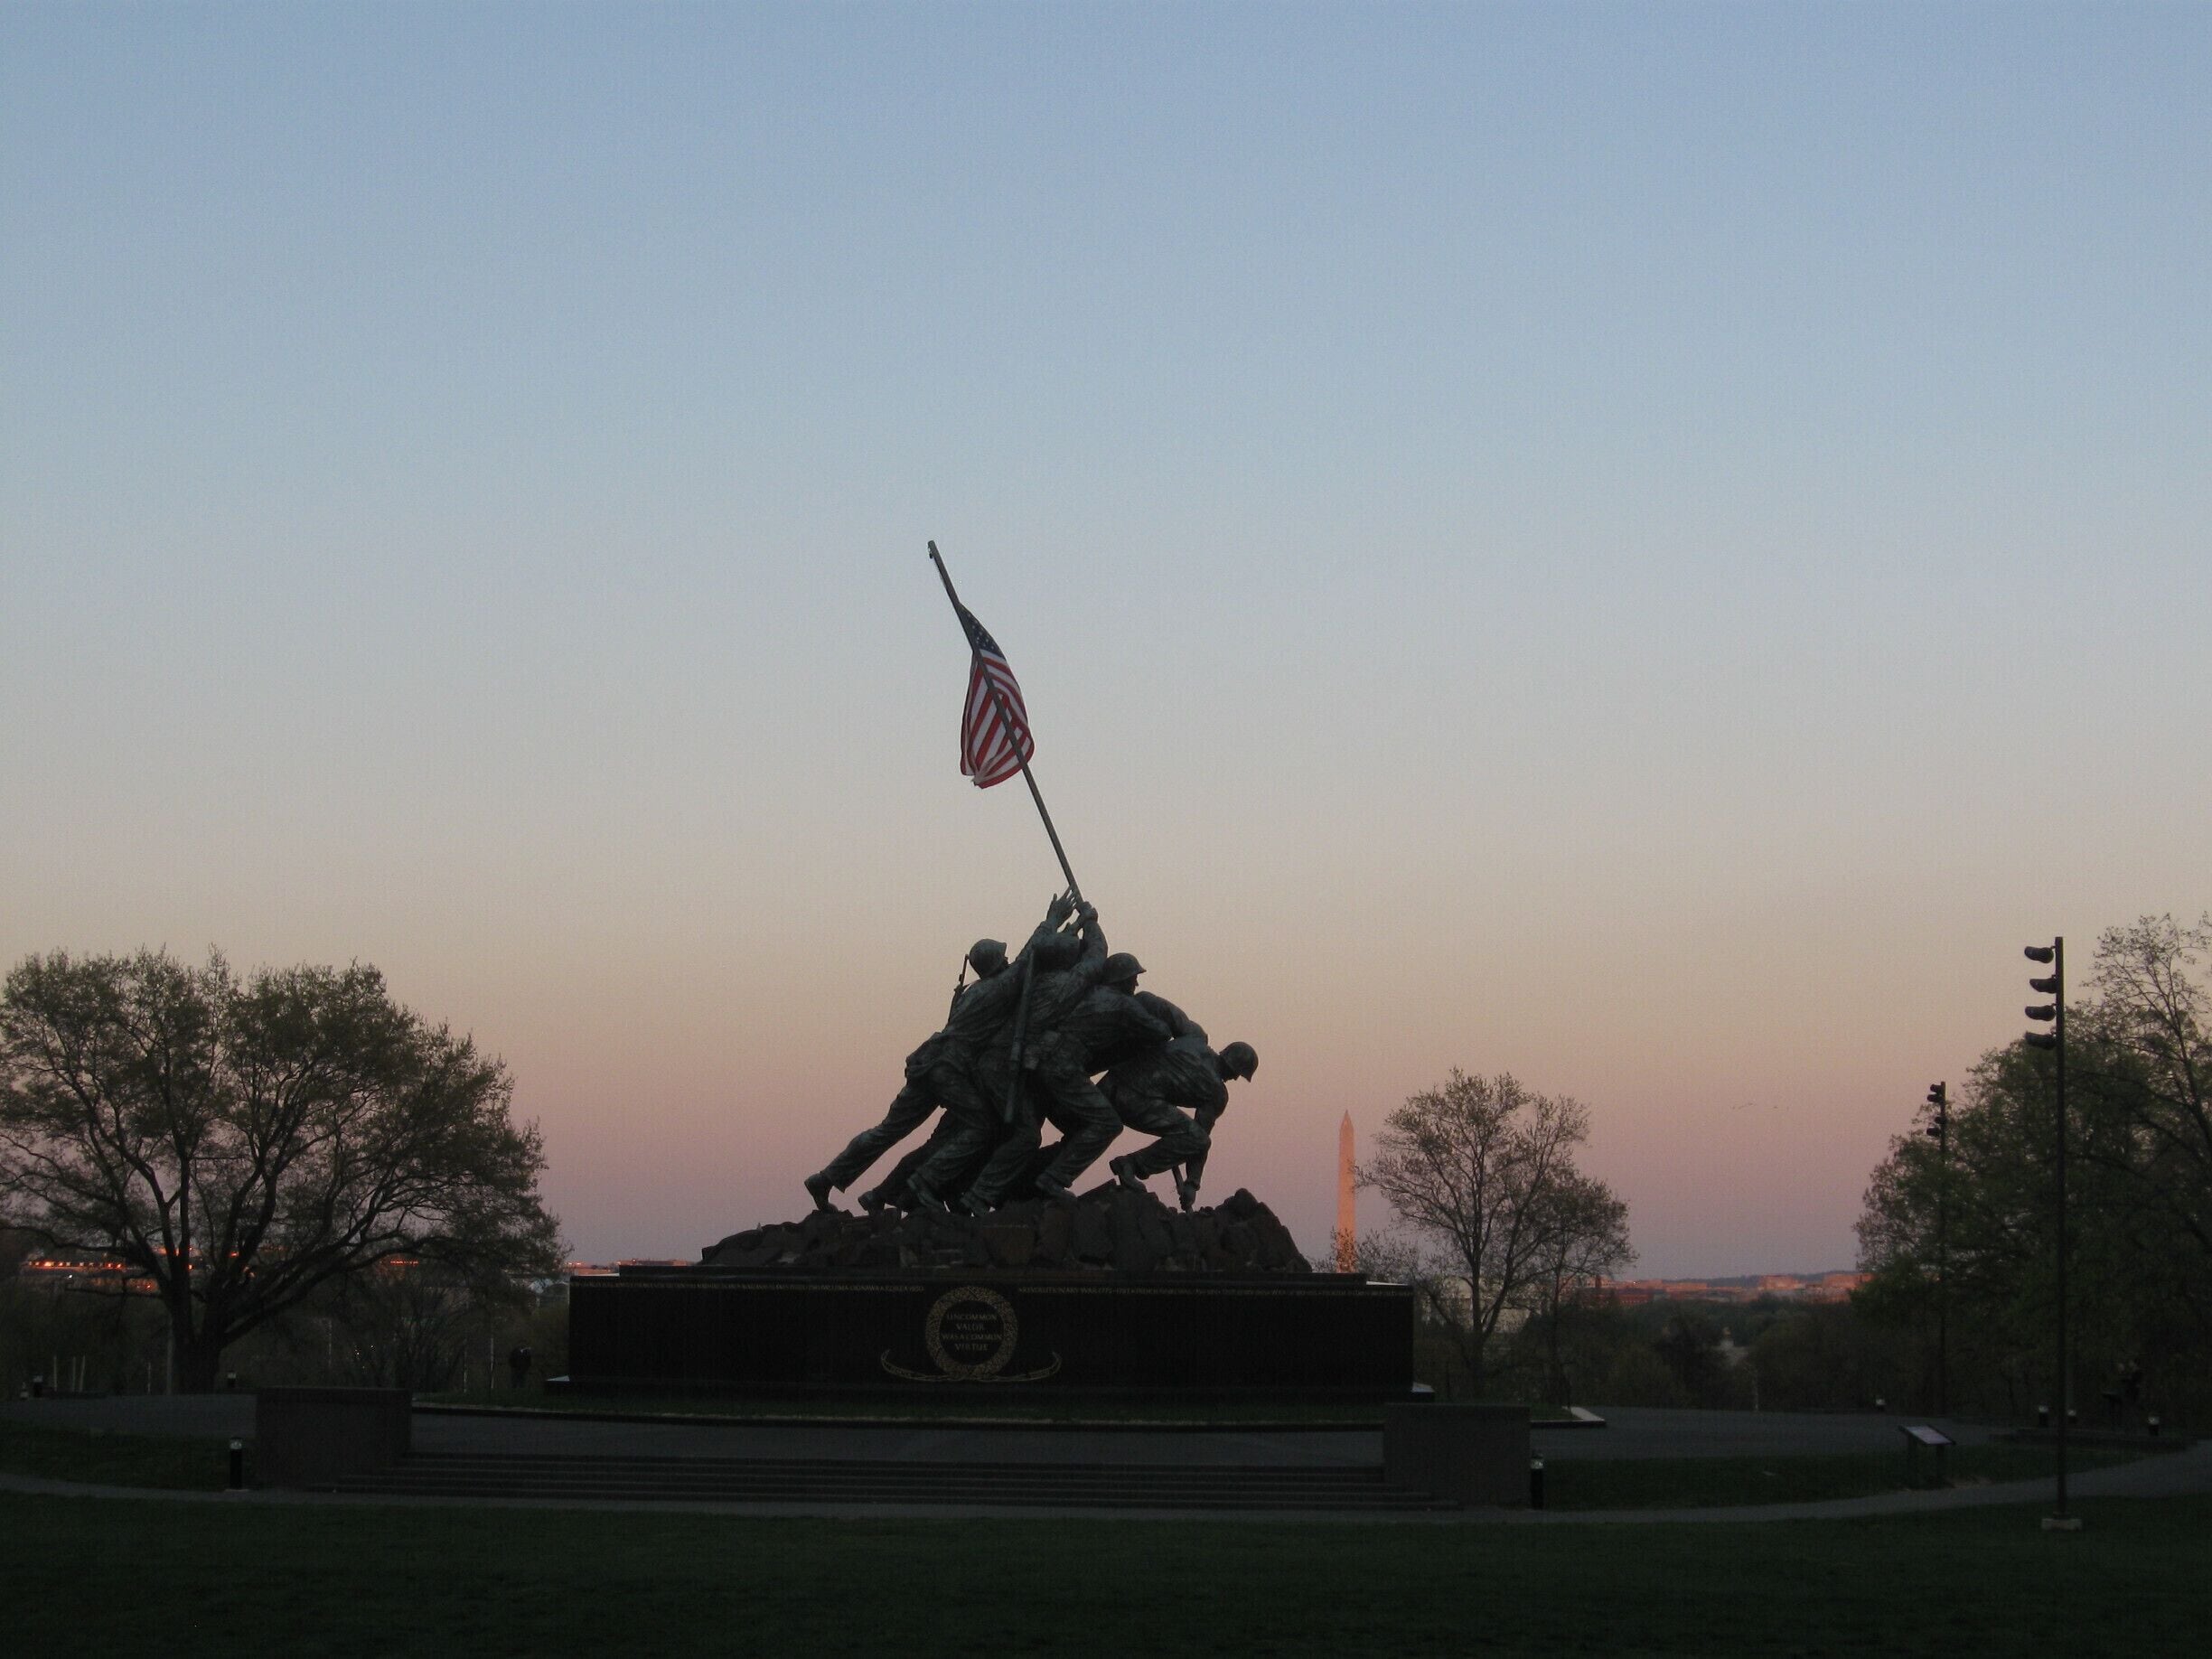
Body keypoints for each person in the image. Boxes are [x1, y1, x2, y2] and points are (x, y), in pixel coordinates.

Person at [804, 895, 1082, 1210]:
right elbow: (1028, 958)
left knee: (887, 1130)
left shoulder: (971, 992)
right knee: (982, 1126)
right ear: (997, 965)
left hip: (929, 1061)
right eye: (1003, 959)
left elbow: (1026, 960)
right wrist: (1053, 920)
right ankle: (925, 1183)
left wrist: (1065, 932)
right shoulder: (998, 988)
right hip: (950, 1068)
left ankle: (826, 1178)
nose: (1008, 962)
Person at [911, 900, 1114, 1211]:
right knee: (1025, 1136)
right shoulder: (1063, 986)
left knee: (1003, 1131)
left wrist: (1064, 925)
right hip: (1001, 1067)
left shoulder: (1027, 979)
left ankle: (961, 1190)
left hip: (991, 1064)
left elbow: (1031, 953)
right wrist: (1091, 922)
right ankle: (964, 1191)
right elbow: (1096, 961)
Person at [1105, 1039, 1258, 1210]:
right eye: (1238, 1073)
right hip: (1133, 1098)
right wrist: (1192, 1183)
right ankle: (1130, 1165)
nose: (1235, 1078)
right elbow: (1199, 1141)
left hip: (1111, 1081)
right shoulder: (1217, 1092)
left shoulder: (1194, 1041)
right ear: (1233, 1066)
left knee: (1190, 1135)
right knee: (1197, 1139)